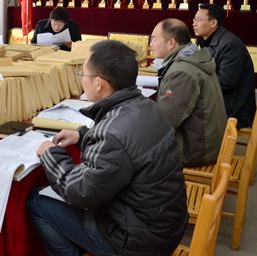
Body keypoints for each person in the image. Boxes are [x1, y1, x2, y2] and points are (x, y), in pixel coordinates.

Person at [27, 40, 188, 256]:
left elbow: (79, 192)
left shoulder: (112, 133)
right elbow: (127, 148)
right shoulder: (149, 106)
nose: (82, 80)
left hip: (137, 242)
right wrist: (82, 136)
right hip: (165, 225)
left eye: (83, 74)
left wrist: (50, 154)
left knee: (37, 201)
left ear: (99, 84)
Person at [150, 18, 226, 166]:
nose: (150, 45)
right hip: (206, 143)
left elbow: (164, 123)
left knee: (131, 149)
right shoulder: (193, 58)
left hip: (194, 151)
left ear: (171, 42)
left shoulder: (181, 73)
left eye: (154, 39)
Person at [193, 3, 256, 129]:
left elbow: (225, 82)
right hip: (220, 100)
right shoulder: (206, 40)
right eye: (194, 19)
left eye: (198, 20)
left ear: (213, 23)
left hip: (233, 109)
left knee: (185, 115)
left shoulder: (230, 45)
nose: (194, 23)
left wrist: (195, 85)